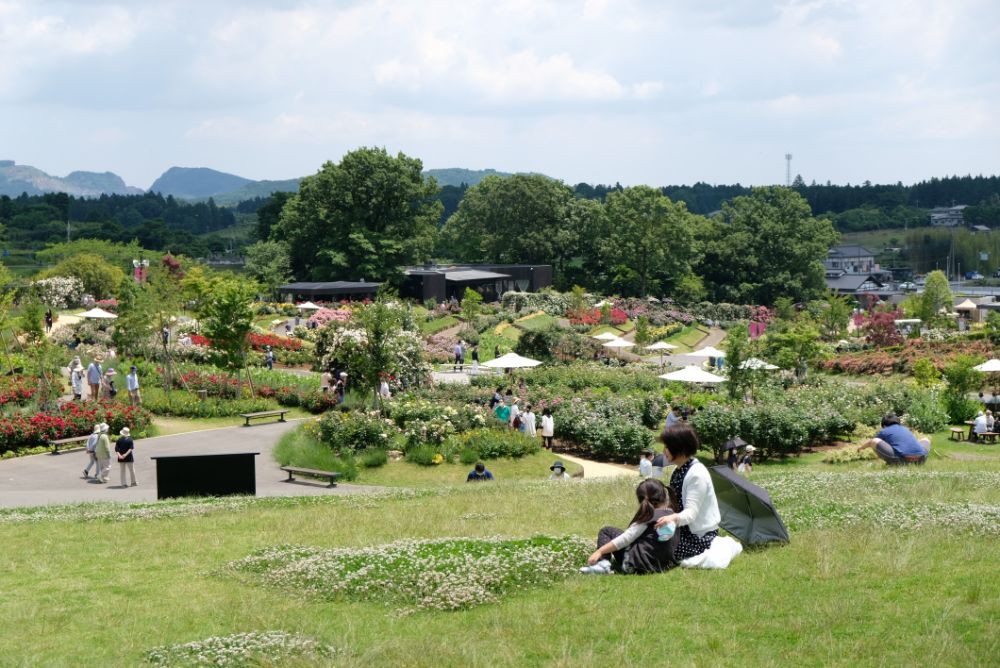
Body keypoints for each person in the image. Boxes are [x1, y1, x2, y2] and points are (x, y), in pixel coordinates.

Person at [580, 478, 678, 575]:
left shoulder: (648, 517)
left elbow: (626, 538)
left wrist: (600, 551)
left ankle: (603, 564)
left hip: (634, 566)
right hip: (662, 566)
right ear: (664, 496)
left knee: (607, 531)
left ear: (640, 500)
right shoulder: (673, 516)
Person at [654, 423, 721, 560]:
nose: (664, 451)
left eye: (667, 447)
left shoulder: (697, 474)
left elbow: (691, 513)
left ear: (679, 447)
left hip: (698, 536)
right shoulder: (678, 470)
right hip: (681, 529)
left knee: (656, 548)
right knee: (647, 537)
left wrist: (672, 518)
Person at [858, 413, 931, 465]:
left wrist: (860, 448)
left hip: (902, 460)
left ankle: (890, 463)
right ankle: (917, 462)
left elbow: (871, 442)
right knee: (925, 440)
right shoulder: (905, 429)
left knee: (875, 441)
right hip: (921, 459)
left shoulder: (885, 431)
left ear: (884, 425)